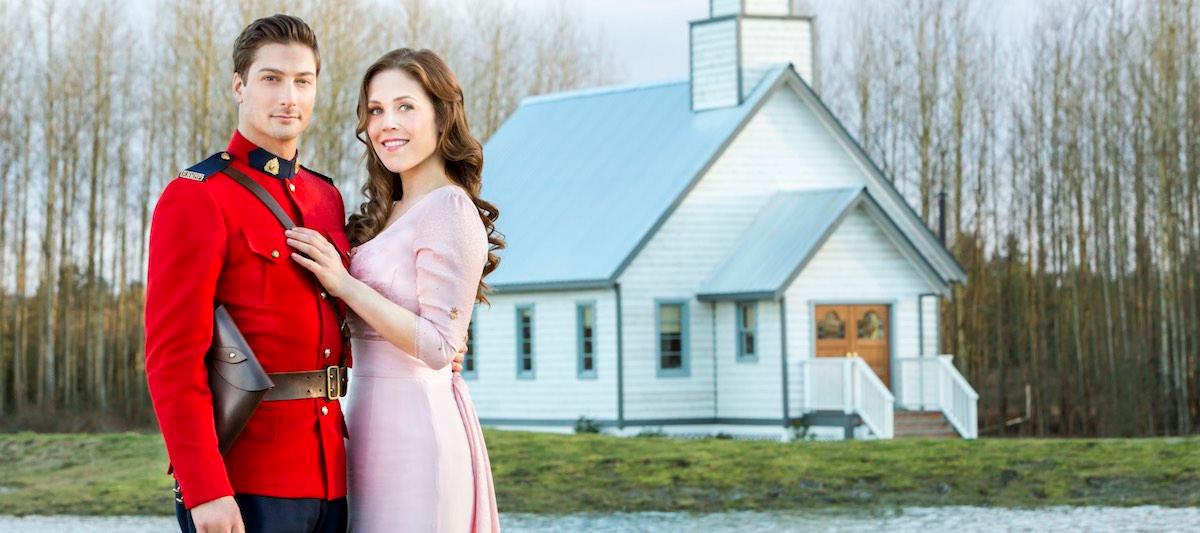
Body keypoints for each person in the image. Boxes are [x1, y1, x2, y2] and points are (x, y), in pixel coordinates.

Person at [145, 15, 461, 533]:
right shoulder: (198, 197)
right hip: (245, 482)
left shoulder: (325, 198)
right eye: (271, 79)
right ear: (239, 86)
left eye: (302, 81)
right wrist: (205, 489)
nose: (288, 96)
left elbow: (348, 311)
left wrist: (430, 343)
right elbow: (171, 359)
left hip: (335, 475)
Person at [285, 48, 503, 532]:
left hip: (416, 431)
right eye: (376, 110)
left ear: (442, 115)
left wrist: (343, 284)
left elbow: (437, 346)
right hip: (363, 422)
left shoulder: (449, 208)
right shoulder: (389, 212)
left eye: (405, 107)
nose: (388, 123)